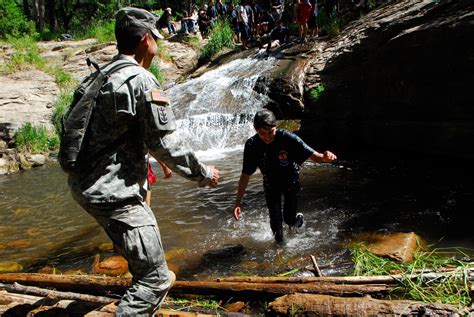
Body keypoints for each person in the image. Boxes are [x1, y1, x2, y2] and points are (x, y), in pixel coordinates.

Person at [65, 7, 220, 315]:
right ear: (145, 39)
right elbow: (165, 142)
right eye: (155, 38)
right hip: (115, 194)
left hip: (86, 187)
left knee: (140, 257)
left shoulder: (98, 77)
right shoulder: (140, 80)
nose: (157, 45)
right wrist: (204, 173)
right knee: (156, 279)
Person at [232, 109, 336, 242]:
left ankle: (297, 220)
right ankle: (279, 253)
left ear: (276, 127)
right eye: (263, 133)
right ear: (256, 130)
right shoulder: (252, 145)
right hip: (270, 183)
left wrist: (325, 157)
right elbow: (245, 174)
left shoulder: (287, 138)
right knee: (276, 225)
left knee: (289, 219)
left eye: (271, 132)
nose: (268, 137)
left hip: (290, 181)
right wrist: (237, 202)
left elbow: (315, 156)